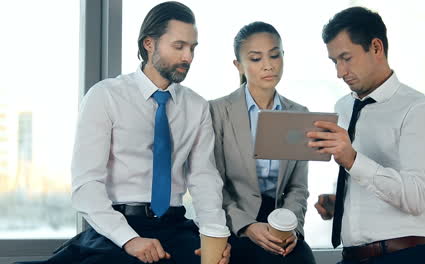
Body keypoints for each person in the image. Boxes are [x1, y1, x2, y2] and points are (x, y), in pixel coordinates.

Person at [18, 2, 231, 264]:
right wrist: (129, 239)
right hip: (117, 227)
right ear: (149, 44)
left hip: (176, 226)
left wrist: (215, 237)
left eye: (192, 48)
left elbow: (204, 178)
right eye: (179, 46)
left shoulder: (197, 106)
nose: (188, 57)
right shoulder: (105, 96)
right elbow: (86, 185)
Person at [307, 6, 425, 264]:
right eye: (334, 61)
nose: (340, 72)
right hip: (353, 257)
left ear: (376, 47)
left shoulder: (418, 109)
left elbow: (418, 197)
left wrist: (352, 159)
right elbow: (372, 185)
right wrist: (343, 205)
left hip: (407, 256)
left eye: (346, 58)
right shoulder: (343, 107)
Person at [209, 21, 316, 264]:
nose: (268, 65)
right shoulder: (217, 111)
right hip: (236, 224)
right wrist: (246, 226)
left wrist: (291, 228)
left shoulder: (299, 114)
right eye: (256, 59)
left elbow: (298, 187)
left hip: (282, 226)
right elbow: (213, 184)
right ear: (239, 66)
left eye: (275, 55)